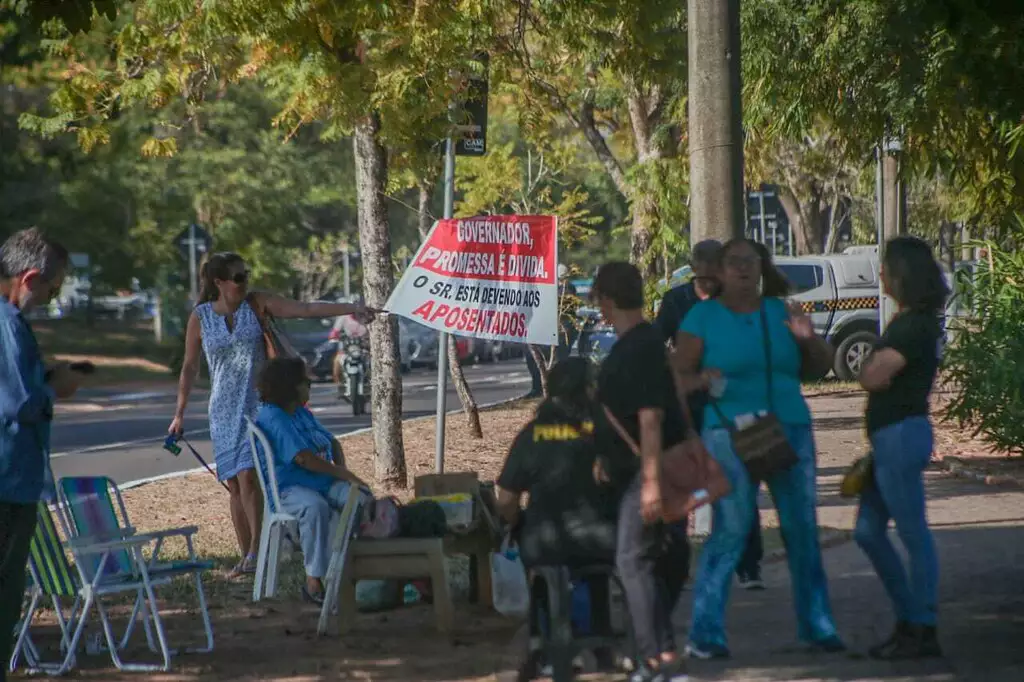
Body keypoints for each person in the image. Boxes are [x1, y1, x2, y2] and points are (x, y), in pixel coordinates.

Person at [674, 238, 841, 658]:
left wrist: (807, 339)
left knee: (801, 528)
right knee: (731, 529)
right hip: (728, 431)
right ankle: (706, 634)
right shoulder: (703, 316)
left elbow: (820, 367)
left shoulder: (781, 310)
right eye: (734, 263)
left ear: (762, 267)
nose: (743, 270)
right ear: (720, 270)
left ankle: (818, 627)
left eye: (751, 262)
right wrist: (699, 385)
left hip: (789, 427)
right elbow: (676, 377)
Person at [168, 252, 374, 577]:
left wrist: (352, 310)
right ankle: (247, 555)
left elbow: (304, 309)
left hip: (258, 403)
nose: (244, 282)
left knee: (251, 476)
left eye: (245, 275)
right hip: (222, 409)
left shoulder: (257, 303)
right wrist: (179, 413)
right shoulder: (201, 317)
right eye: (237, 278)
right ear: (219, 282)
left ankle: (257, 551)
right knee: (235, 485)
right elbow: (190, 366)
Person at [592, 262, 689, 682]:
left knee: (632, 560)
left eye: (599, 301)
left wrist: (650, 482)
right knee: (651, 561)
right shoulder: (643, 344)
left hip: (644, 475)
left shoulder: (639, 348)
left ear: (608, 303)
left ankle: (654, 661)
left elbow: (650, 418)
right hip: (639, 471)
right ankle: (661, 655)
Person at [854, 236, 948, 659]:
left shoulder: (914, 326)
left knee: (912, 533)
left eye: (886, 267)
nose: (881, 275)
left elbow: (873, 375)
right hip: (888, 439)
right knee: (867, 532)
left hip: (901, 436)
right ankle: (908, 616)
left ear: (902, 274)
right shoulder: (906, 322)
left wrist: (871, 362)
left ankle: (921, 625)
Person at [659, 239, 765, 590]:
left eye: (712, 277)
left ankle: (749, 567)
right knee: (683, 484)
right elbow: (661, 346)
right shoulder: (675, 301)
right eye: (701, 278)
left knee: (739, 483)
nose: (707, 284)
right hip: (688, 406)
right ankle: (677, 565)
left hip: (734, 403)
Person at [0, 228, 80, 681]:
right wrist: (56, 388)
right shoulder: (9, 324)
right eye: (53, 286)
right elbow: (19, 403)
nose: (54, 296)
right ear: (29, 277)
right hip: (8, 480)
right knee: (7, 585)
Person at [254, 357, 370, 604]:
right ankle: (314, 581)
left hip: (321, 482)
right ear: (290, 386)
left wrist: (345, 475)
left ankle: (348, 573)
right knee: (315, 507)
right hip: (289, 489)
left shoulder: (300, 413)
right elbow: (303, 459)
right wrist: (344, 475)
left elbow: (332, 442)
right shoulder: (274, 417)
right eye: (306, 382)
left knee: (360, 499)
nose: (310, 386)